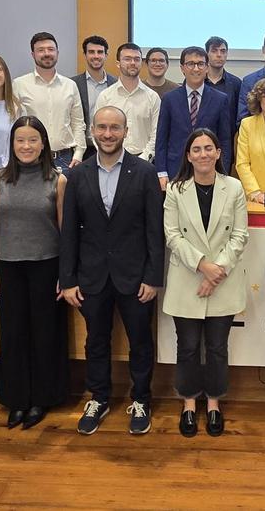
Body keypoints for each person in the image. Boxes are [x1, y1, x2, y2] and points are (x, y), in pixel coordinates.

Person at [61, 106, 164, 437]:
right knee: (96, 342)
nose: (108, 134)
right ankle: (99, 398)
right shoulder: (78, 175)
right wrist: (68, 279)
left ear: (126, 131)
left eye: (115, 128)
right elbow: (70, 233)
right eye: (102, 127)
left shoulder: (145, 172)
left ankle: (141, 399)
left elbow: (154, 230)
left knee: (140, 341)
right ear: (92, 130)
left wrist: (153, 277)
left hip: (135, 277)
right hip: (92, 276)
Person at [162, 129, 249, 438]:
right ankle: (188, 404)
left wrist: (217, 271)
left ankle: (213, 403)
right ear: (188, 155)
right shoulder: (175, 189)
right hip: (188, 278)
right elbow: (172, 235)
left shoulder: (234, 188)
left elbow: (240, 235)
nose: (202, 154)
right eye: (196, 149)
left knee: (216, 348)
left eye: (208, 148)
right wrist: (202, 265)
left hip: (222, 282)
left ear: (218, 153)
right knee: (186, 347)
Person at [0, 116, 67, 430]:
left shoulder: (57, 180)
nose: (26, 146)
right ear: (12, 144)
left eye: (33, 140)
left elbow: (64, 229)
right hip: (8, 267)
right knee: (13, 334)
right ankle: (16, 399)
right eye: (20, 140)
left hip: (47, 265)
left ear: (43, 144)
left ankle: (41, 399)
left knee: (45, 335)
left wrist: (65, 273)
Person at [155, 46, 234, 190]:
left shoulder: (220, 99)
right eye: (190, 64)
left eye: (200, 64)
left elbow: (225, 140)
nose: (196, 68)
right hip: (175, 170)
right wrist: (161, 172)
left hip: (209, 171)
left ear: (207, 68)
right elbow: (161, 139)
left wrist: (223, 172)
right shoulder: (169, 99)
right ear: (182, 68)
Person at [13, 32, 87, 173]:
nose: (46, 53)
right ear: (33, 55)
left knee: (65, 196)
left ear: (57, 53)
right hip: (32, 158)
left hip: (66, 159)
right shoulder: (19, 85)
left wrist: (79, 154)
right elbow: (14, 125)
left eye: (51, 49)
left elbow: (78, 123)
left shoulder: (70, 85)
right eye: (41, 50)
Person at [94, 43, 160, 161]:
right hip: (111, 160)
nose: (133, 63)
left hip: (144, 162)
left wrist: (143, 159)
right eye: (127, 59)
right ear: (118, 64)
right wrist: (107, 154)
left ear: (141, 63)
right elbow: (97, 130)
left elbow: (156, 134)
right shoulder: (105, 96)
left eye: (137, 59)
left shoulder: (153, 97)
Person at [72, 34, 117, 156]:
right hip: (83, 150)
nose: (96, 56)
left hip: (111, 147)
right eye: (91, 52)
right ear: (85, 55)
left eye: (100, 52)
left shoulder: (117, 84)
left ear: (106, 55)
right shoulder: (73, 84)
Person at [204, 36, 243, 115]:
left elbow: (239, 114)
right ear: (206, 54)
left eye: (223, 51)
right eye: (214, 51)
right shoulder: (198, 81)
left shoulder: (236, 83)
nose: (219, 55)